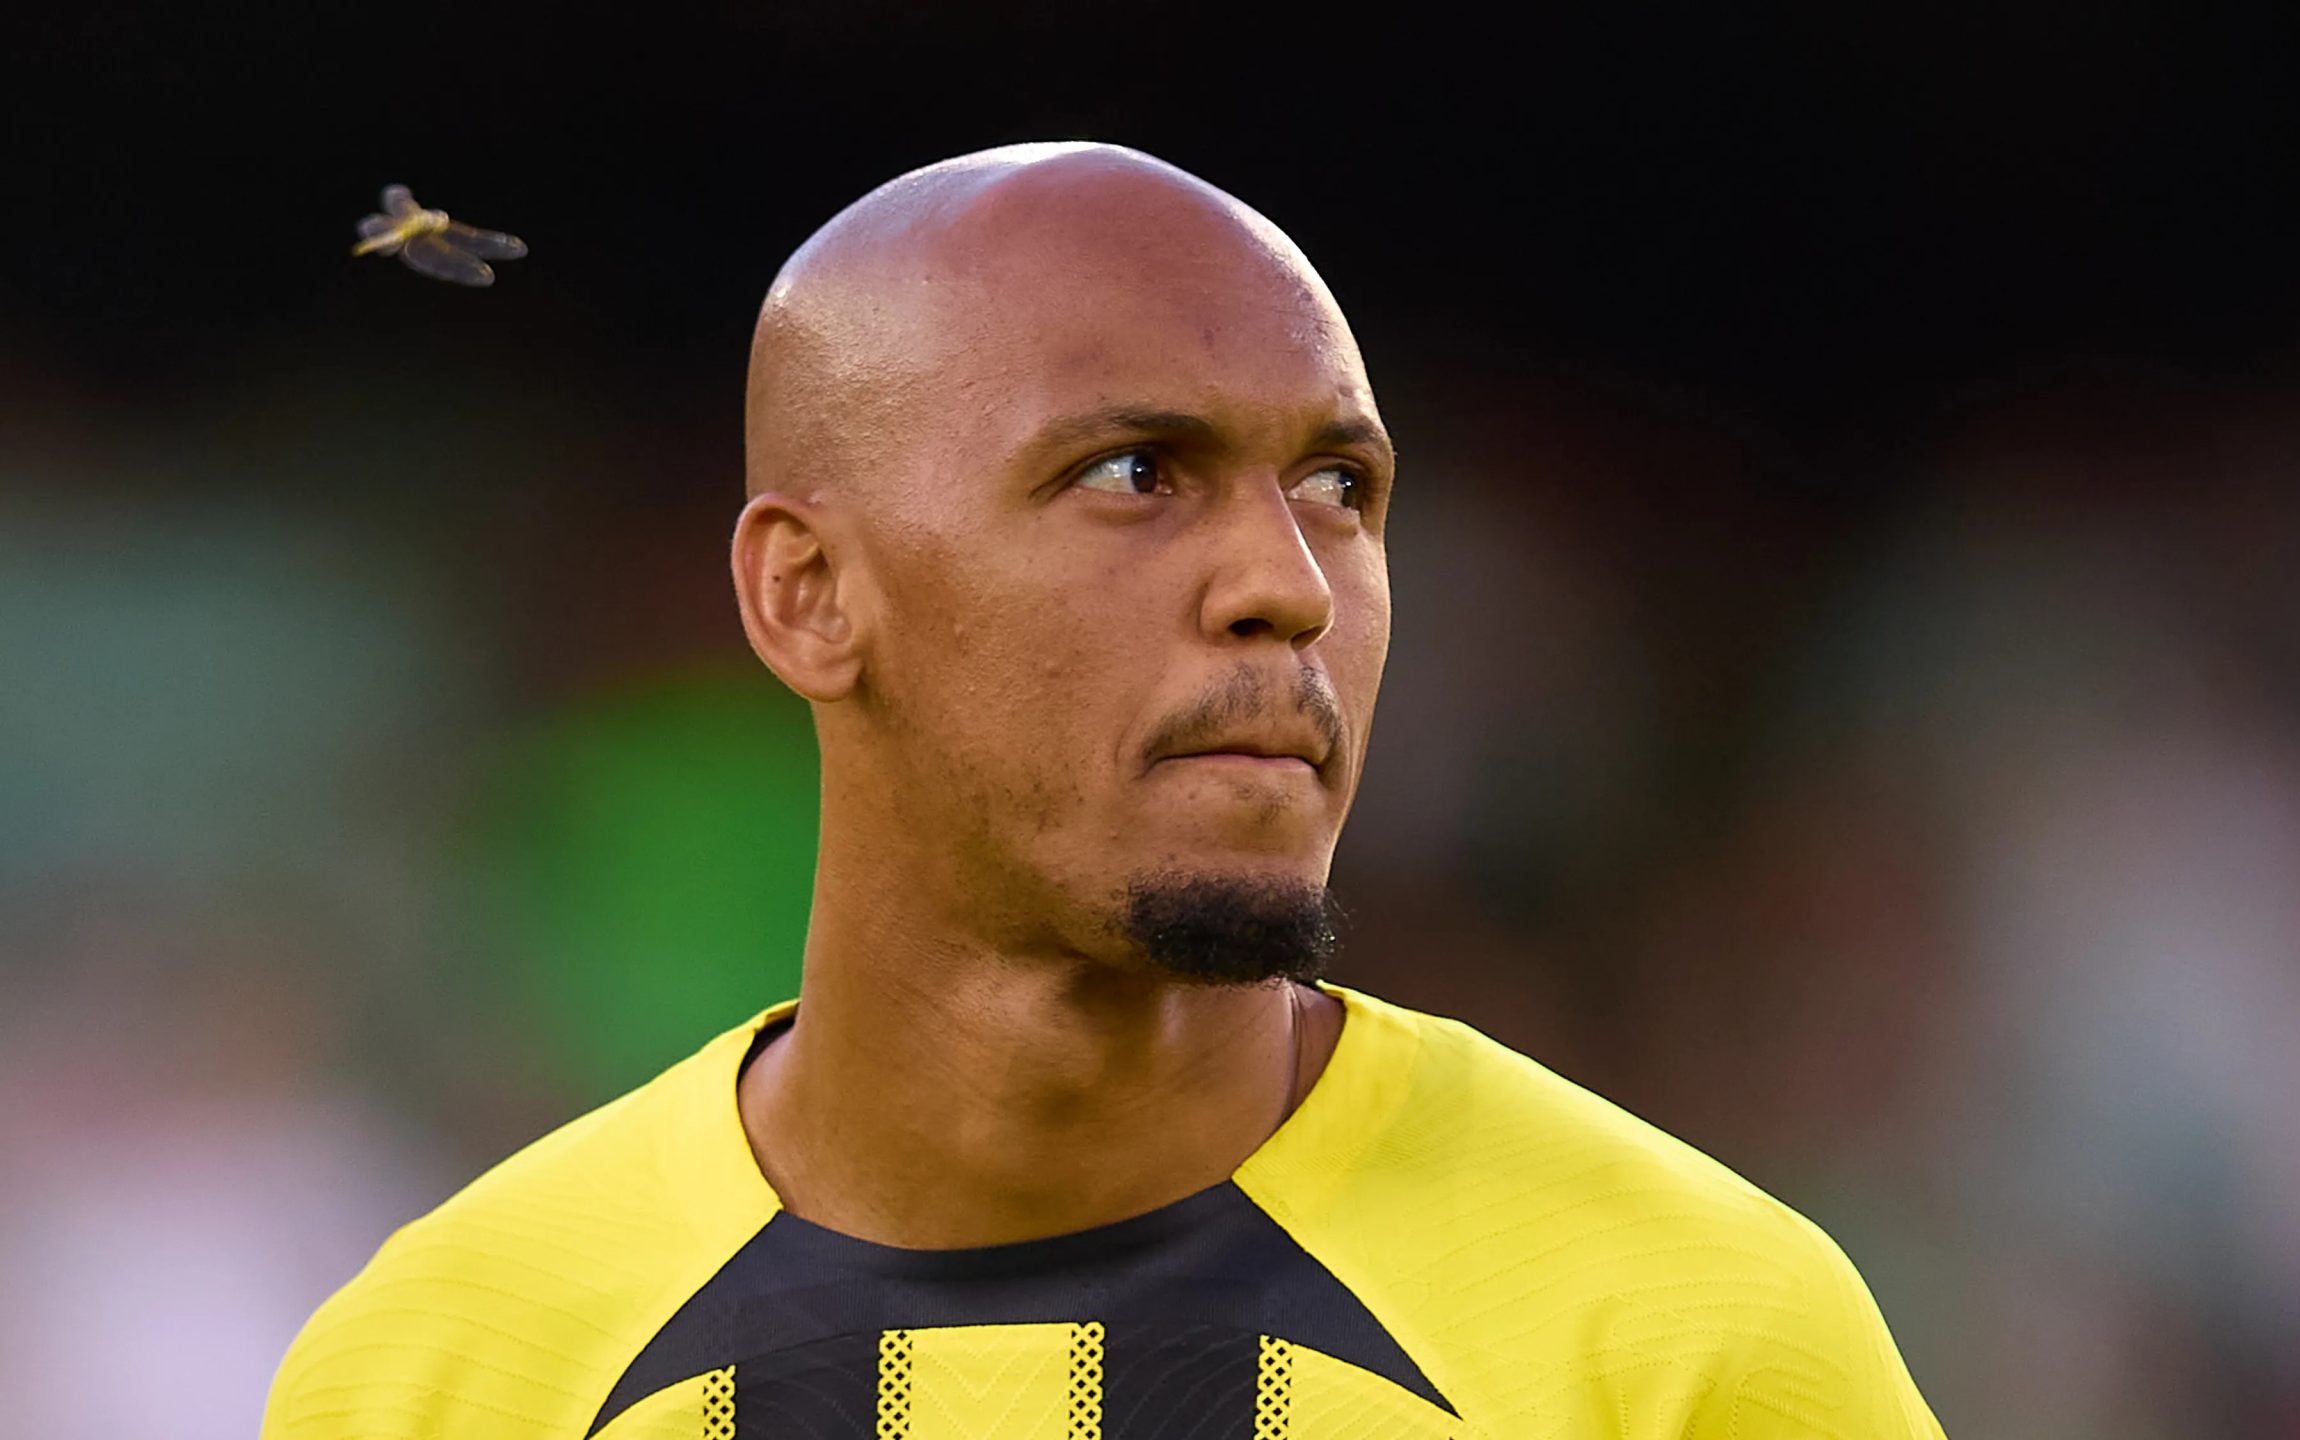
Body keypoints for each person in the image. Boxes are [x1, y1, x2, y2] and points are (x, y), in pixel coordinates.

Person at [262, 142, 1943, 1439]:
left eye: (1338, 489)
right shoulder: (445, 1374)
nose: (1287, 585)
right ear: (808, 595)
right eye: (1135, 472)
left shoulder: (1692, 1346)